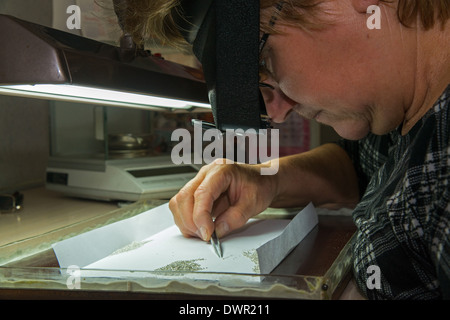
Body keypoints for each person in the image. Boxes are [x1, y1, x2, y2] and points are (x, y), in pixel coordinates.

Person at [122, 0, 449, 299]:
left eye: (264, 61)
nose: (277, 112)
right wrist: (266, 180)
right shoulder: (408, 114)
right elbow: (357, 165)